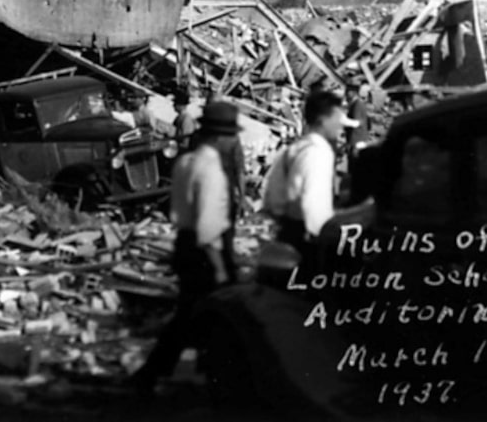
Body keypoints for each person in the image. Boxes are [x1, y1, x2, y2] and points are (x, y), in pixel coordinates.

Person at [132, 101, 242, 393]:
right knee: (213, 314)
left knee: (192, 315)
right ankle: (216, 379)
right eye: (232, 136)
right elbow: (208, 227)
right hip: (208, 252)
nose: (234, 141)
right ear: (221, 137)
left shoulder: (184, 162)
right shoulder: (213, 170)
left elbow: (177, 214)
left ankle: (173, 372)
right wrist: (221, 267)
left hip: (185, 245)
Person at [262, 91, 359, 258]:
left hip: (285, 228)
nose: (341, 126)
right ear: (323, 120)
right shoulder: (318, 152)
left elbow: (272, 196)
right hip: (306, 237)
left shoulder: (297, 148)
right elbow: (312, 204)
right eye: (337, 119)